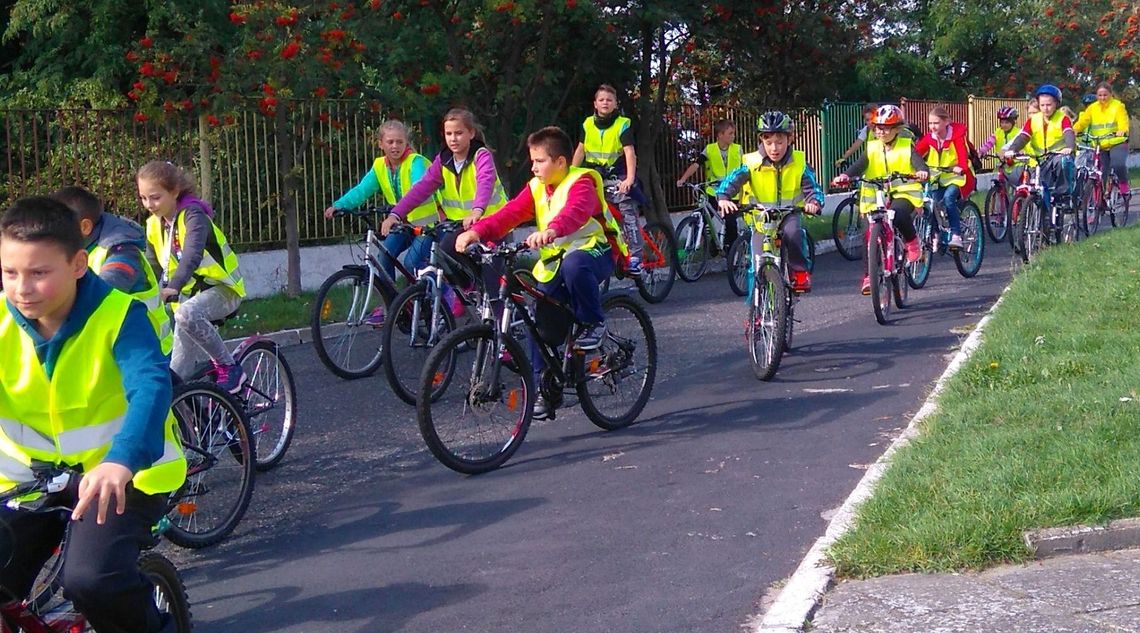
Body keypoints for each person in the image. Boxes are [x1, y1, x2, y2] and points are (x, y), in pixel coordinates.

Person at [0, 196, 186, 633]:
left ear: (78, 265)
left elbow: (150, 386)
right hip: (27, 484)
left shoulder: (118, 316)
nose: (22, 288)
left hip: (123, 479)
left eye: (39, 273)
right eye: (9, 273)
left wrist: (121, 460)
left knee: (93, 581)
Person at [454, 126, 624, 420]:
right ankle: (544, 390)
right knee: (537, 323)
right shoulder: (536, 187)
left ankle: (594, 323)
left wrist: (553, 229)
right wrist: (477, 232)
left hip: (594, 250)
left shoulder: (581, 181)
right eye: (532, 161)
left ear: (560, 162)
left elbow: (576, 211)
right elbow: (509, 214)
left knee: (575, 265)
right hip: (555, 260)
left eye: (539, 161)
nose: (533, 167)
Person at [138, 160, 246, 393]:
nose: (149, 204)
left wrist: (173, 286)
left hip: (223, 290)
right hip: (187, 300)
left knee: (186, 313)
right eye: (143, 198)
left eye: (155, 197)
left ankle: (229, 366)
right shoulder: (153, 225)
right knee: (174, 381)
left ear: (174, 191)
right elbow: (151, 268)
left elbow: (191, 255)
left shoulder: (193, 216)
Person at [324, 120, 444, 323]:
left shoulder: (415, 162)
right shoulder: (380, 166)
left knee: (412, 263)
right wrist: (340, 205)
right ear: (381, 144)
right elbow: (362, 190)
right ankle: (393, 305)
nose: (395, 146)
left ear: (406, 143)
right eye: (390, 142)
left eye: (399, 142)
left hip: (428, 225)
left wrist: (394, 215)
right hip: (402, 225)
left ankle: (432, 301)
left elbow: (418, 191)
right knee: (384, 256)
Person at [51, 186, 172, 354]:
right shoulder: (78, 248)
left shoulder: (122, 252)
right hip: (113, 346)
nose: (50, 233)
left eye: (58, 227)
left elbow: (103, 291)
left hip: (147, 350)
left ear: (85, 227)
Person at [716, 111, 824, 293]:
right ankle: (757, 303)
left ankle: (799, 272)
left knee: (793, 233)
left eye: (779, 142)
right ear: (762, 140)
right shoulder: (751, 162)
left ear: (789, 139)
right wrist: (723, 198)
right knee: (757, 263)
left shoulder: (799, 162)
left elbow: (812, 187)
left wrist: (814, 202)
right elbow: (732, 181)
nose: (774, 148)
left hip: (788, 214)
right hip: (761, 218)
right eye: (769, 143)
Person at [832, 105, 928, 295]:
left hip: (903, 191)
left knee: (898, 214)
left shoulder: (906, 146)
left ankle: (912, 241)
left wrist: (921, 172)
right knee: (869, 235)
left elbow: (920, 164)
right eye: (877, 128)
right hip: (876, 193)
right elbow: (859, 166)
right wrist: (845, 176)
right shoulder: (872, 147)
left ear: (897, 129)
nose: (880, 132)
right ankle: (869, 276)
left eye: (886, 128)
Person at [572, 84, 643, 273]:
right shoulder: (587, 124)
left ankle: (636, 257)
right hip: (596, 176)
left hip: (618, 175)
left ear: (615, 104)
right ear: (595, 104)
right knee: (593, 214)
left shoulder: (622, 124)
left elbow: (629, 153)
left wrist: (629, 179)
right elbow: (580, 150)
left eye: (609, 100)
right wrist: (571, 174)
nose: (605, 103)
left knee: (627, 211)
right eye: (601, 99)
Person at [1003, 84, 1076, 214]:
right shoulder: (1033, 120)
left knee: (1063, 162)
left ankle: (1064, 196)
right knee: (1039, 189)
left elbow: (1068, 133)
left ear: (1056, 104)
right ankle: (1042, 214)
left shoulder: (1063, 118)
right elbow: (1023, 136)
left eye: (1049, 105)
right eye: (1042, 105)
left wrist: (1069, 147)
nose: (1045, 108)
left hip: (1058, 156)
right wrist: (1012, 150)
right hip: (1040, 160)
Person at [676, 118, 742, 250]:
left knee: (730, 222)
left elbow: (743, 170)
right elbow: (696, 164)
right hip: (713, 190)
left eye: (733, 133)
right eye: (730, 133)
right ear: (720, 135)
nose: (733, 136)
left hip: (731, 192)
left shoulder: (737, 149)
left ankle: (732, 252)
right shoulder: (710, 149)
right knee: (702, 217)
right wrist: (683, 179)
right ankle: (691, 246)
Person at [915, 106, 976, 250]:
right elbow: (915, 154)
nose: (932, 127)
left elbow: (962, 155)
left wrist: (960, 167)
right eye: (930, 123)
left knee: (949, 198)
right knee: (932, 203)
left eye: (936, 123)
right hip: (938, 178)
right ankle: (935, 234)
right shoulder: (929, 138)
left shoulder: (956, 136)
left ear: (946, 121)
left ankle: (956, 235)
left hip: (958, 177)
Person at [1072, 81, 1130, 199]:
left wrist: (1122, 130)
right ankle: (1100, 200)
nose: (1102, 98)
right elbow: (1083, 122)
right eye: (1100, 95)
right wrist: (1075, 130)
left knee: (1118, 164)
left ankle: (1123, 184)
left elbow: (1123, 121)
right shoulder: (1092, 108)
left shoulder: (1118, 106)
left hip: (1117, 142)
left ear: (1111, 94)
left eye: (1105, 95)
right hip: (1100, 144)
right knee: (1101, 172)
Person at [977, 106, 1026, 194]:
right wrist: (982, 151)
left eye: (1007, 122)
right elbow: (989, 143)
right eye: (1002, 122)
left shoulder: (1018, 132)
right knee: (1000, 188)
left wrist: (1020, 152)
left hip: (1016, 166)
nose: (1004, 125)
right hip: (1002, 165)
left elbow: (1022, 145)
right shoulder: (998, 132)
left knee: (1017, 191)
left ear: (1013, 122)